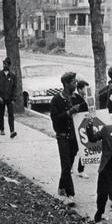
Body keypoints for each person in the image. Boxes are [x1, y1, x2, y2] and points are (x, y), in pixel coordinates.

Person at [50, 72, 82, 206]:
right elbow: (55, 119)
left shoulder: (78, 98)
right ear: (66, 84)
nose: (76, 84)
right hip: (62, 137)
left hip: (74, 138)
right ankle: (70, 194)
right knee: (66, 165)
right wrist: (70, 112)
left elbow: (86, 113)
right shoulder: (56, 100)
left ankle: (61, 186)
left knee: (68, 165)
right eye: (74, 82)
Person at [0, 57, 18, 138]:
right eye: (3, 64)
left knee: (11, 115)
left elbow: (15, 88)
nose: (4, 65)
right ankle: (2, 129)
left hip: (10, 99)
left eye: (6, 64)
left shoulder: (13, 75)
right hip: (1, 98)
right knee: (1, 114)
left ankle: (12, 131)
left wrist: (13, 99)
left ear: (9, 65)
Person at [72, 79, 90, 179]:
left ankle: (81, 169)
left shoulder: (86, 98)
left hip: (84, 126)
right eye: (85, 89)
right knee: (75, 149)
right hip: (78, 126)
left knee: (83, 148)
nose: (87, 90)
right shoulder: (76, 98)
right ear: (79, 89)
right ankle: (72, 167)